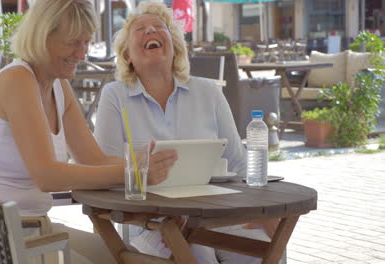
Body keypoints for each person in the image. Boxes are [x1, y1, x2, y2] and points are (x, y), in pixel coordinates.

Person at [0, 0, 177, 263]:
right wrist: (134, 172)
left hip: (30, 227)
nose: (82, 54)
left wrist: (150, 167)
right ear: (42, 37)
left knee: (123, 258)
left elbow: (94, 159)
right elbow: (48, 176)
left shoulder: (58, 85)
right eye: (74, 42)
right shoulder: (18, 80)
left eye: (86, 42)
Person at [94, 2, 277, 264]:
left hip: (217, 215)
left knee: (264, 249)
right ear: (127, 56)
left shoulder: (208, 91)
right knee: (195, 254)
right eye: (140, 29)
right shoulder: (115, 95)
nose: (151, 31)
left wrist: (263, 211)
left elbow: (239, 163)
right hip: (153, 222)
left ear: (175, 47)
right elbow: (105, 173)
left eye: (159, 27)